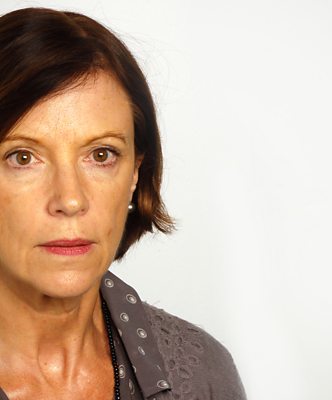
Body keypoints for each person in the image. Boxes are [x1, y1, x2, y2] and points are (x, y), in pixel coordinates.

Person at [0, 7, 246, 400]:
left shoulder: (203, 375)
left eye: (101, 155)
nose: (70, 199)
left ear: (134, 173)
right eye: (23, 157)